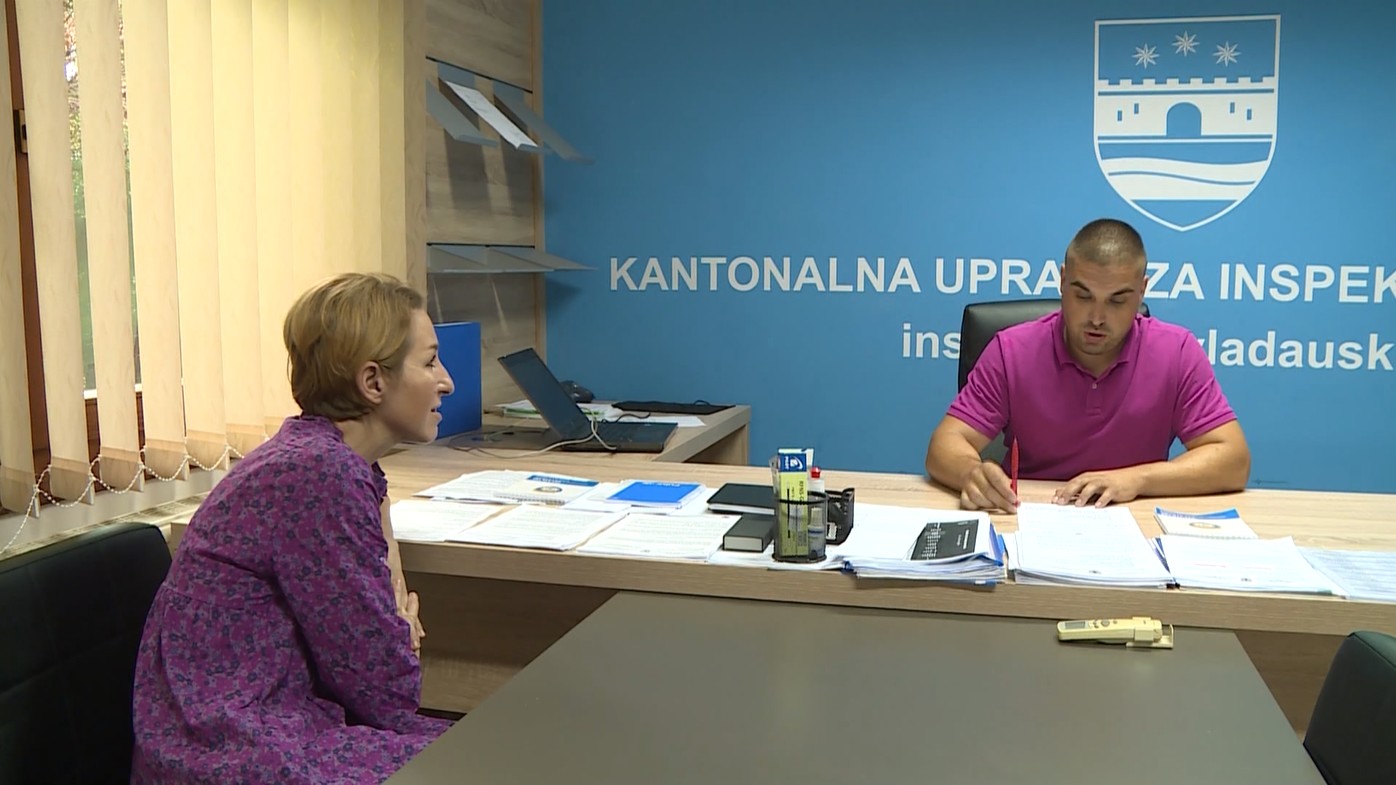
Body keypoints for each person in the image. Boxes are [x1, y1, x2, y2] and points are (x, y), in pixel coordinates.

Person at [131, 273, 456, 784]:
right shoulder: (319, 475)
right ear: (373, 382)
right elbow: (388, 696)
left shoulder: (316, 456)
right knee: (489, 758)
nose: (447, 382)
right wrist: (398, 632)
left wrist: (391, 621)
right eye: (431, 361)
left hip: (259, 725)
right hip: (236, 747)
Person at [925, 218, 1250, 512]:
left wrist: (1136, 479)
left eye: (1117, 300)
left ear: (1142, 291)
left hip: (1134, 518)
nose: (1096, 317)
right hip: (1028, 515)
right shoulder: (1012, 350)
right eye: (1083, 296)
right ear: (1063, 281)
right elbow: (945, 444)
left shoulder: (1176, 351)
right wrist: (972, 474)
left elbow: (1233, 460)